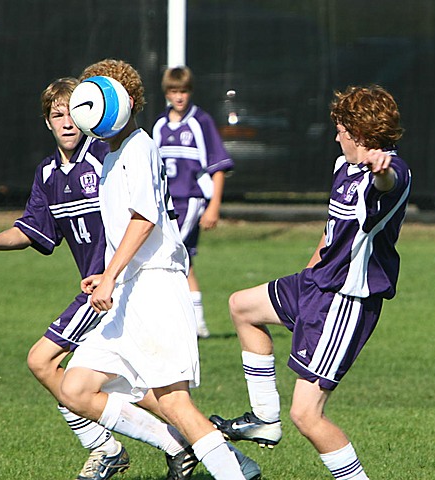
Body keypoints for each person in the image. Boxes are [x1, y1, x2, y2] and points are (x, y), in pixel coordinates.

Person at [58, 58, 258, 480]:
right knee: (75, 387)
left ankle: (234, 472)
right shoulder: (112, 156)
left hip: (155, 288)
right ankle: (180, 448)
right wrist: (110, 272)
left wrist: (111, 274)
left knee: (174, 403)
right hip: (128, 292)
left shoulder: (140, 147)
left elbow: (144, 218)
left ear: (127, 102)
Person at [209, 85, 411, 479]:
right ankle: (265, 419)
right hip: (315, 283)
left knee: (306, 414)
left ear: (359, 133)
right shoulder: (343, 167)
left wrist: (381, 170)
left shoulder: (391, 173)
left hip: (344, 300)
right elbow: (331, 231)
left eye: (341, 129)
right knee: (242, 306)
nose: (336, 136)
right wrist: (305, 278)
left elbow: (387, 184)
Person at [0, 77, 132, 480]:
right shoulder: (48, 174)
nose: (67, 122)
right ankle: (186, 441)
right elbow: (31, 229)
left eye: (74, 112)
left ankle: (106, 447)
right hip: (98, 291)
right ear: (48, 123)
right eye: (57, 115)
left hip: (115, 286)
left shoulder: (106, 157)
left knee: (43, 361)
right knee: (124, 387)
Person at [151, 65, 234, 338]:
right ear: (166, 93)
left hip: (192, 201)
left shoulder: (201, 122)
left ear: (191, 92)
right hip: (166, 203)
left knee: (168, 252)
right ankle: (196, 322)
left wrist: (213, 206)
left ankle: (185, 321)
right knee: (183, 260)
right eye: (174, 91)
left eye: (183, 91)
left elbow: (217, 167)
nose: (179, 97)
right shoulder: (160, 125)